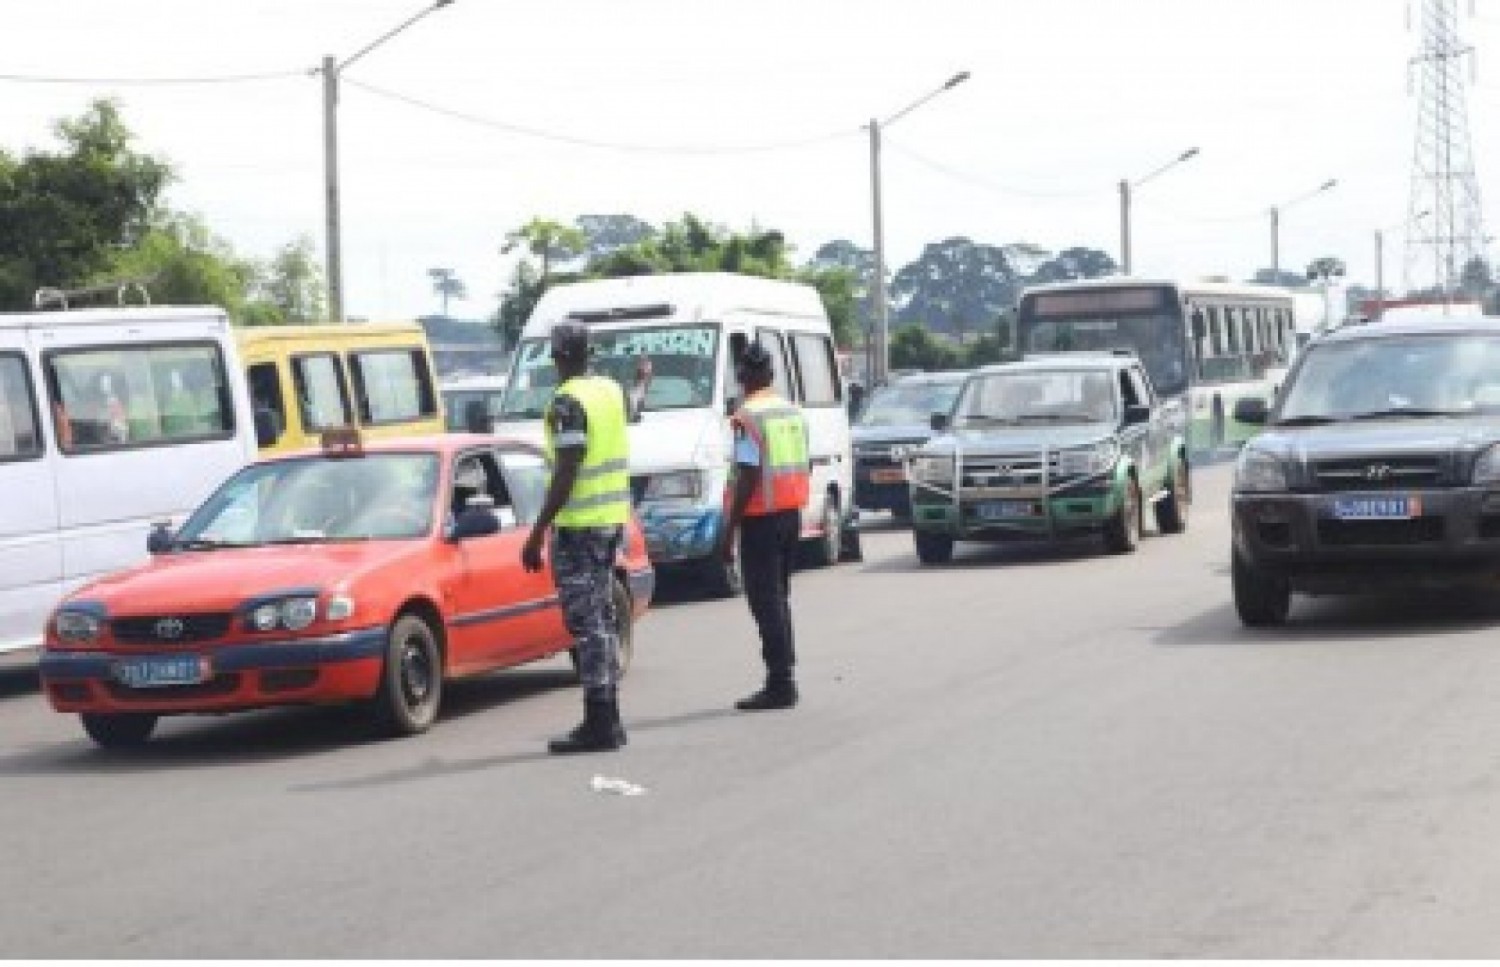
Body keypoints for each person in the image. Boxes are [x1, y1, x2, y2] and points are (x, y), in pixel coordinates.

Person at [522, 322, 633, 754]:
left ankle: (600, 721)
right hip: (609, 521)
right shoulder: (607, 390)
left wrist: (536, 532)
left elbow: (567, 467)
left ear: (559, 355)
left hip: (581, 526)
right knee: (601, 620)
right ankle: (609, 718)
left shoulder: (569, 401)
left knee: (587, 625)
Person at [718, 341, 812, 711]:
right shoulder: (791, 411)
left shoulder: (748, 417)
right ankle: (785, 674)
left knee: (765, 601)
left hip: (761, 520)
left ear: (742, 378)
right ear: (771, 375)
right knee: (779, 598)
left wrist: (729, 529)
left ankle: (780, 683)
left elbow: (748, 472)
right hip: (790, 515)